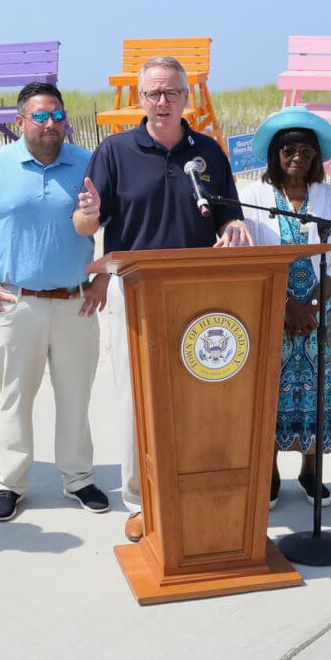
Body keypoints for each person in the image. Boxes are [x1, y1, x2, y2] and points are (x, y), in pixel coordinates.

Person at [73, 55, 252, 542]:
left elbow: (229, 217)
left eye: (172, 92)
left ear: (187, 98)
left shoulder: (208, 152)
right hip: (135, 294)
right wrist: (88, 215)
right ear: (140, 99)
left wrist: (234, 226)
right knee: (138, 402)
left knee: (196, 398)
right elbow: (87, 223)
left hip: (200, 298)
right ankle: (140, 500)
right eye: (153, 93)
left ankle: (191, 490)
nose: (162, 102)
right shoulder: (114, 151)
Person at [0, 82, 110, 522]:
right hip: (15, 303)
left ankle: (78, 478)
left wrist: (105, 278)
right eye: (40, 115)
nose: (50, 123)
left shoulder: (89, 162)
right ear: (20, 122)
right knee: (16, 397)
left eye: (57, 114)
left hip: (77, 301)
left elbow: (116, 222)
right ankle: (11, 483)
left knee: (76, 395)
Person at [241, 107, 331, 508]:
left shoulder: (330, 196)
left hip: (320, 315)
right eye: (288, 150)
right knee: (269, 390)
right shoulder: (252, 196)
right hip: (270, 313)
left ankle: (310, 472)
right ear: (274, 155)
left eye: (306, 151)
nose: (297, 158)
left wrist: (314, 305)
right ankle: (267, 475)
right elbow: (248, 257)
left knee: (317, 390)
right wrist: (288, 305)